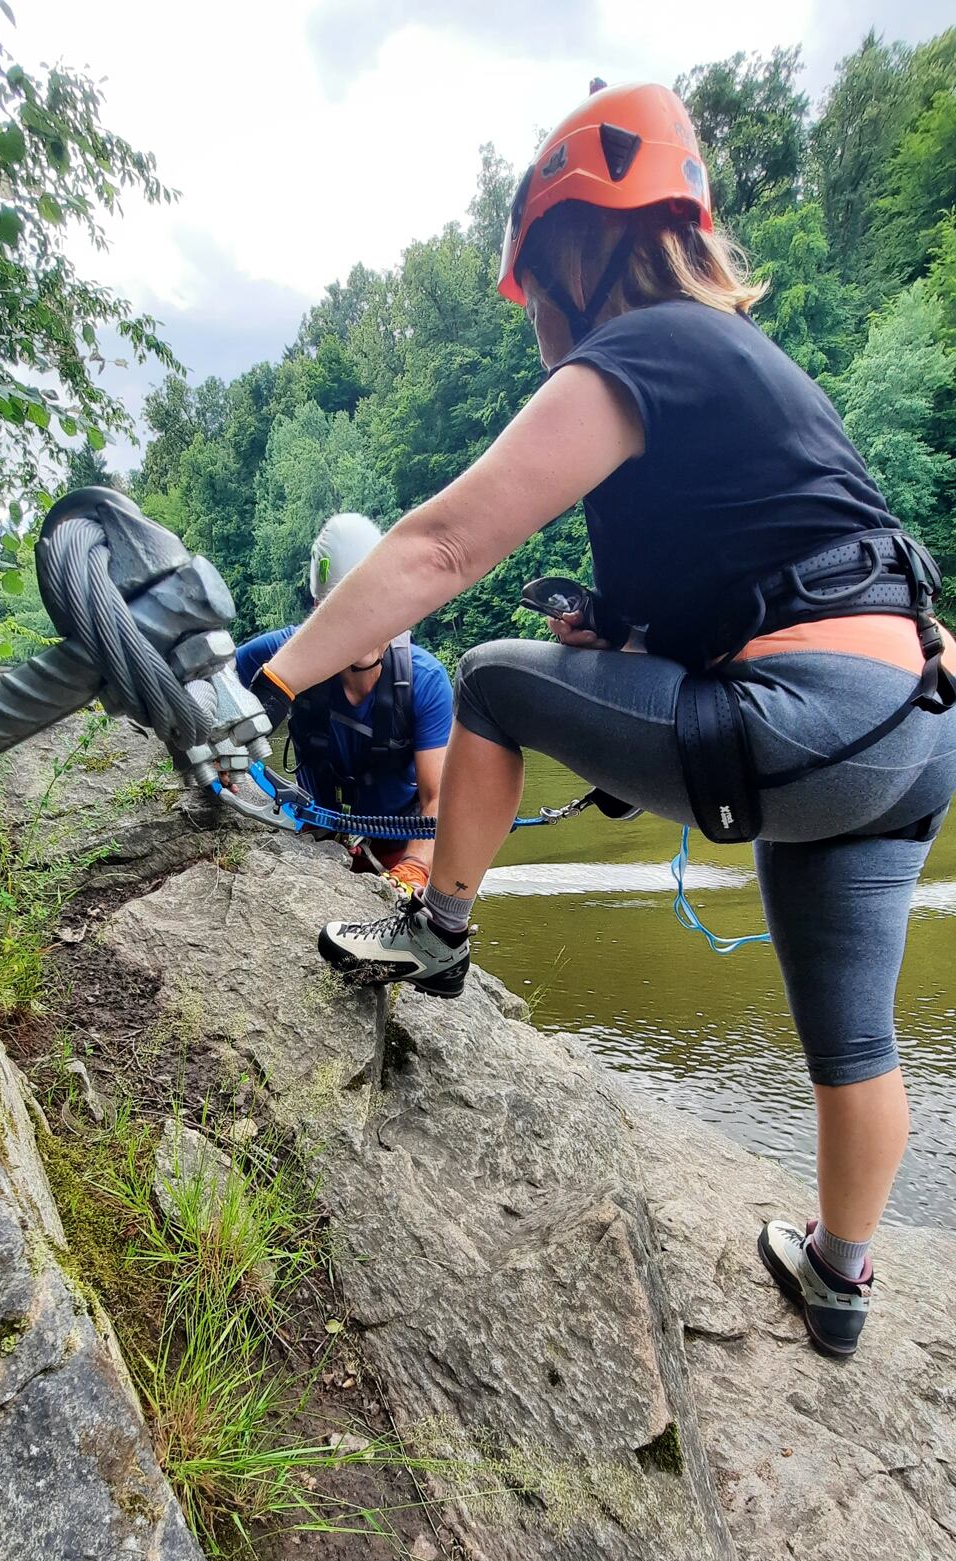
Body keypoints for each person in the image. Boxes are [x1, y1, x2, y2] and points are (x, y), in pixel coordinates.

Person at [244, 81, 956, 1362]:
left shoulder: (642, 350)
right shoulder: (750, 370)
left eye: (534, 286)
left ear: (575, 253)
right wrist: (625, 647)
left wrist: (274, 681)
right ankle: (840, 1277)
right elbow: (777, 570)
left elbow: (444, 545)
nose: (534, 321)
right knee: (856, 1034)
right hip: (911, 727)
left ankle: (436, 933)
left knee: (493, 680)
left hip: (803, 717)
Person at [234, 513, 452, 888]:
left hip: (399, 847)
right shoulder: (286, 652)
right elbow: (212, 682)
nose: (363, 625)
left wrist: (414, 869)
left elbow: (437, 799)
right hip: (314, 835)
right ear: (320, 612)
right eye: (345, 609)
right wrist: (223, 754)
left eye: (376, 605)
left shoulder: (425, 681)